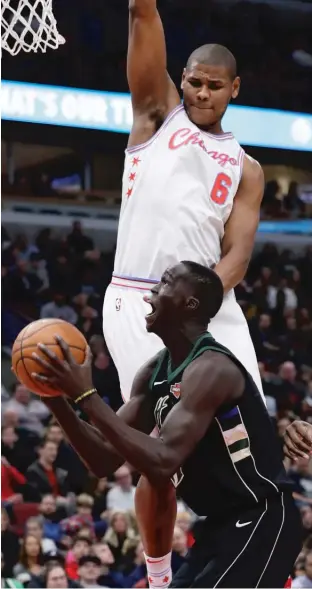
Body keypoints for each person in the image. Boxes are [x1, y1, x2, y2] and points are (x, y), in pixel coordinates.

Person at [102, 0, 265, 582]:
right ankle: (161, 571)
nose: (200, 93)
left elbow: (238, 258)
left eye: (213, 86)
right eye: (193, 81)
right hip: (142, 304)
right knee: (159, 453)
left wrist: (201, 305)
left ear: (234, 89)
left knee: (256, 430)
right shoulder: (155, 116)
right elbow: (142, 16)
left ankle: (246, 543)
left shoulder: (247, 168)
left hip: (212, 305)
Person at [32, 262, 301, 588]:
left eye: (165, 284)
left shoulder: (213, 368)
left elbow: (162, 462)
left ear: (190, 303)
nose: (150, 294)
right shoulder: (155, 372)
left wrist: (86, 396)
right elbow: (103, 459)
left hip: (262, 517)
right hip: (217, 526)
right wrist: (54, 398)